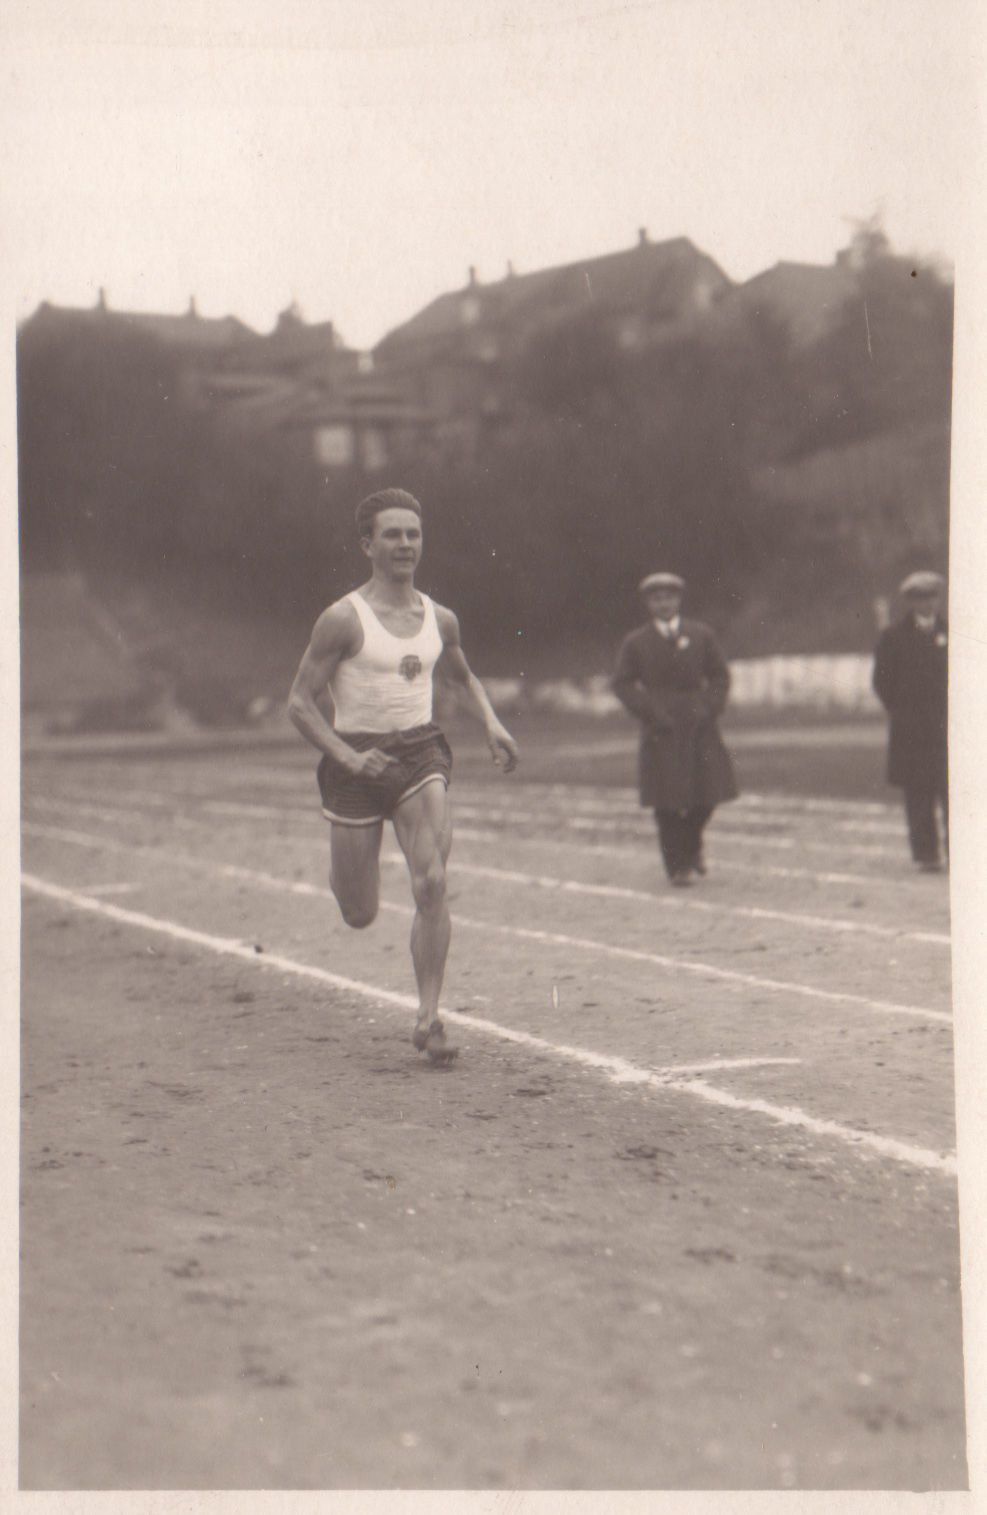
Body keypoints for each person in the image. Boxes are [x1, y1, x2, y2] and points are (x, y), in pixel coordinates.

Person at [288, 488, 519, 1063]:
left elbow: (463, 679)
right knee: (359, 912)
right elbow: (298, 703)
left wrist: (491, 723)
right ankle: (350, 873)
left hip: (421, 754)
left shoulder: (440, 618)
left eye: (413, 534)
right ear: (367, 544)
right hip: (356, 760)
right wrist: (346, 756)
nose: (405, 544)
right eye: (392, 534)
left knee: (432, 882)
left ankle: (428, 1017)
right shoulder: (343, 619)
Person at [612, 571, 738, 886]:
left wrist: (709, 706)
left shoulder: (701, 635)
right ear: (648, 604)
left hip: (699, 724)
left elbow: (720, 675)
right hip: (661, 727)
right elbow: (623, 683)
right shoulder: (636, 642)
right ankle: (677, 866)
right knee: (666, 800)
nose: (663, 603)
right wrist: (649, 710)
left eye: (669, 597)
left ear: (678, 600)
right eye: (656, 598)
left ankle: (692, 846)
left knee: (707, 793)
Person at [872, 570, 948, 872]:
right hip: (912, 730)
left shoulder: (953, 633)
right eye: (920, 598)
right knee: (918, 794)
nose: (927, 604)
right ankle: (927, 855)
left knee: (954, 791)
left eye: (931, 597)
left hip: (948, 729)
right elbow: (882, 681)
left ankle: (962, 853)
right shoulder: (893, 638)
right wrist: (902, 711)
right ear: (911, 602)